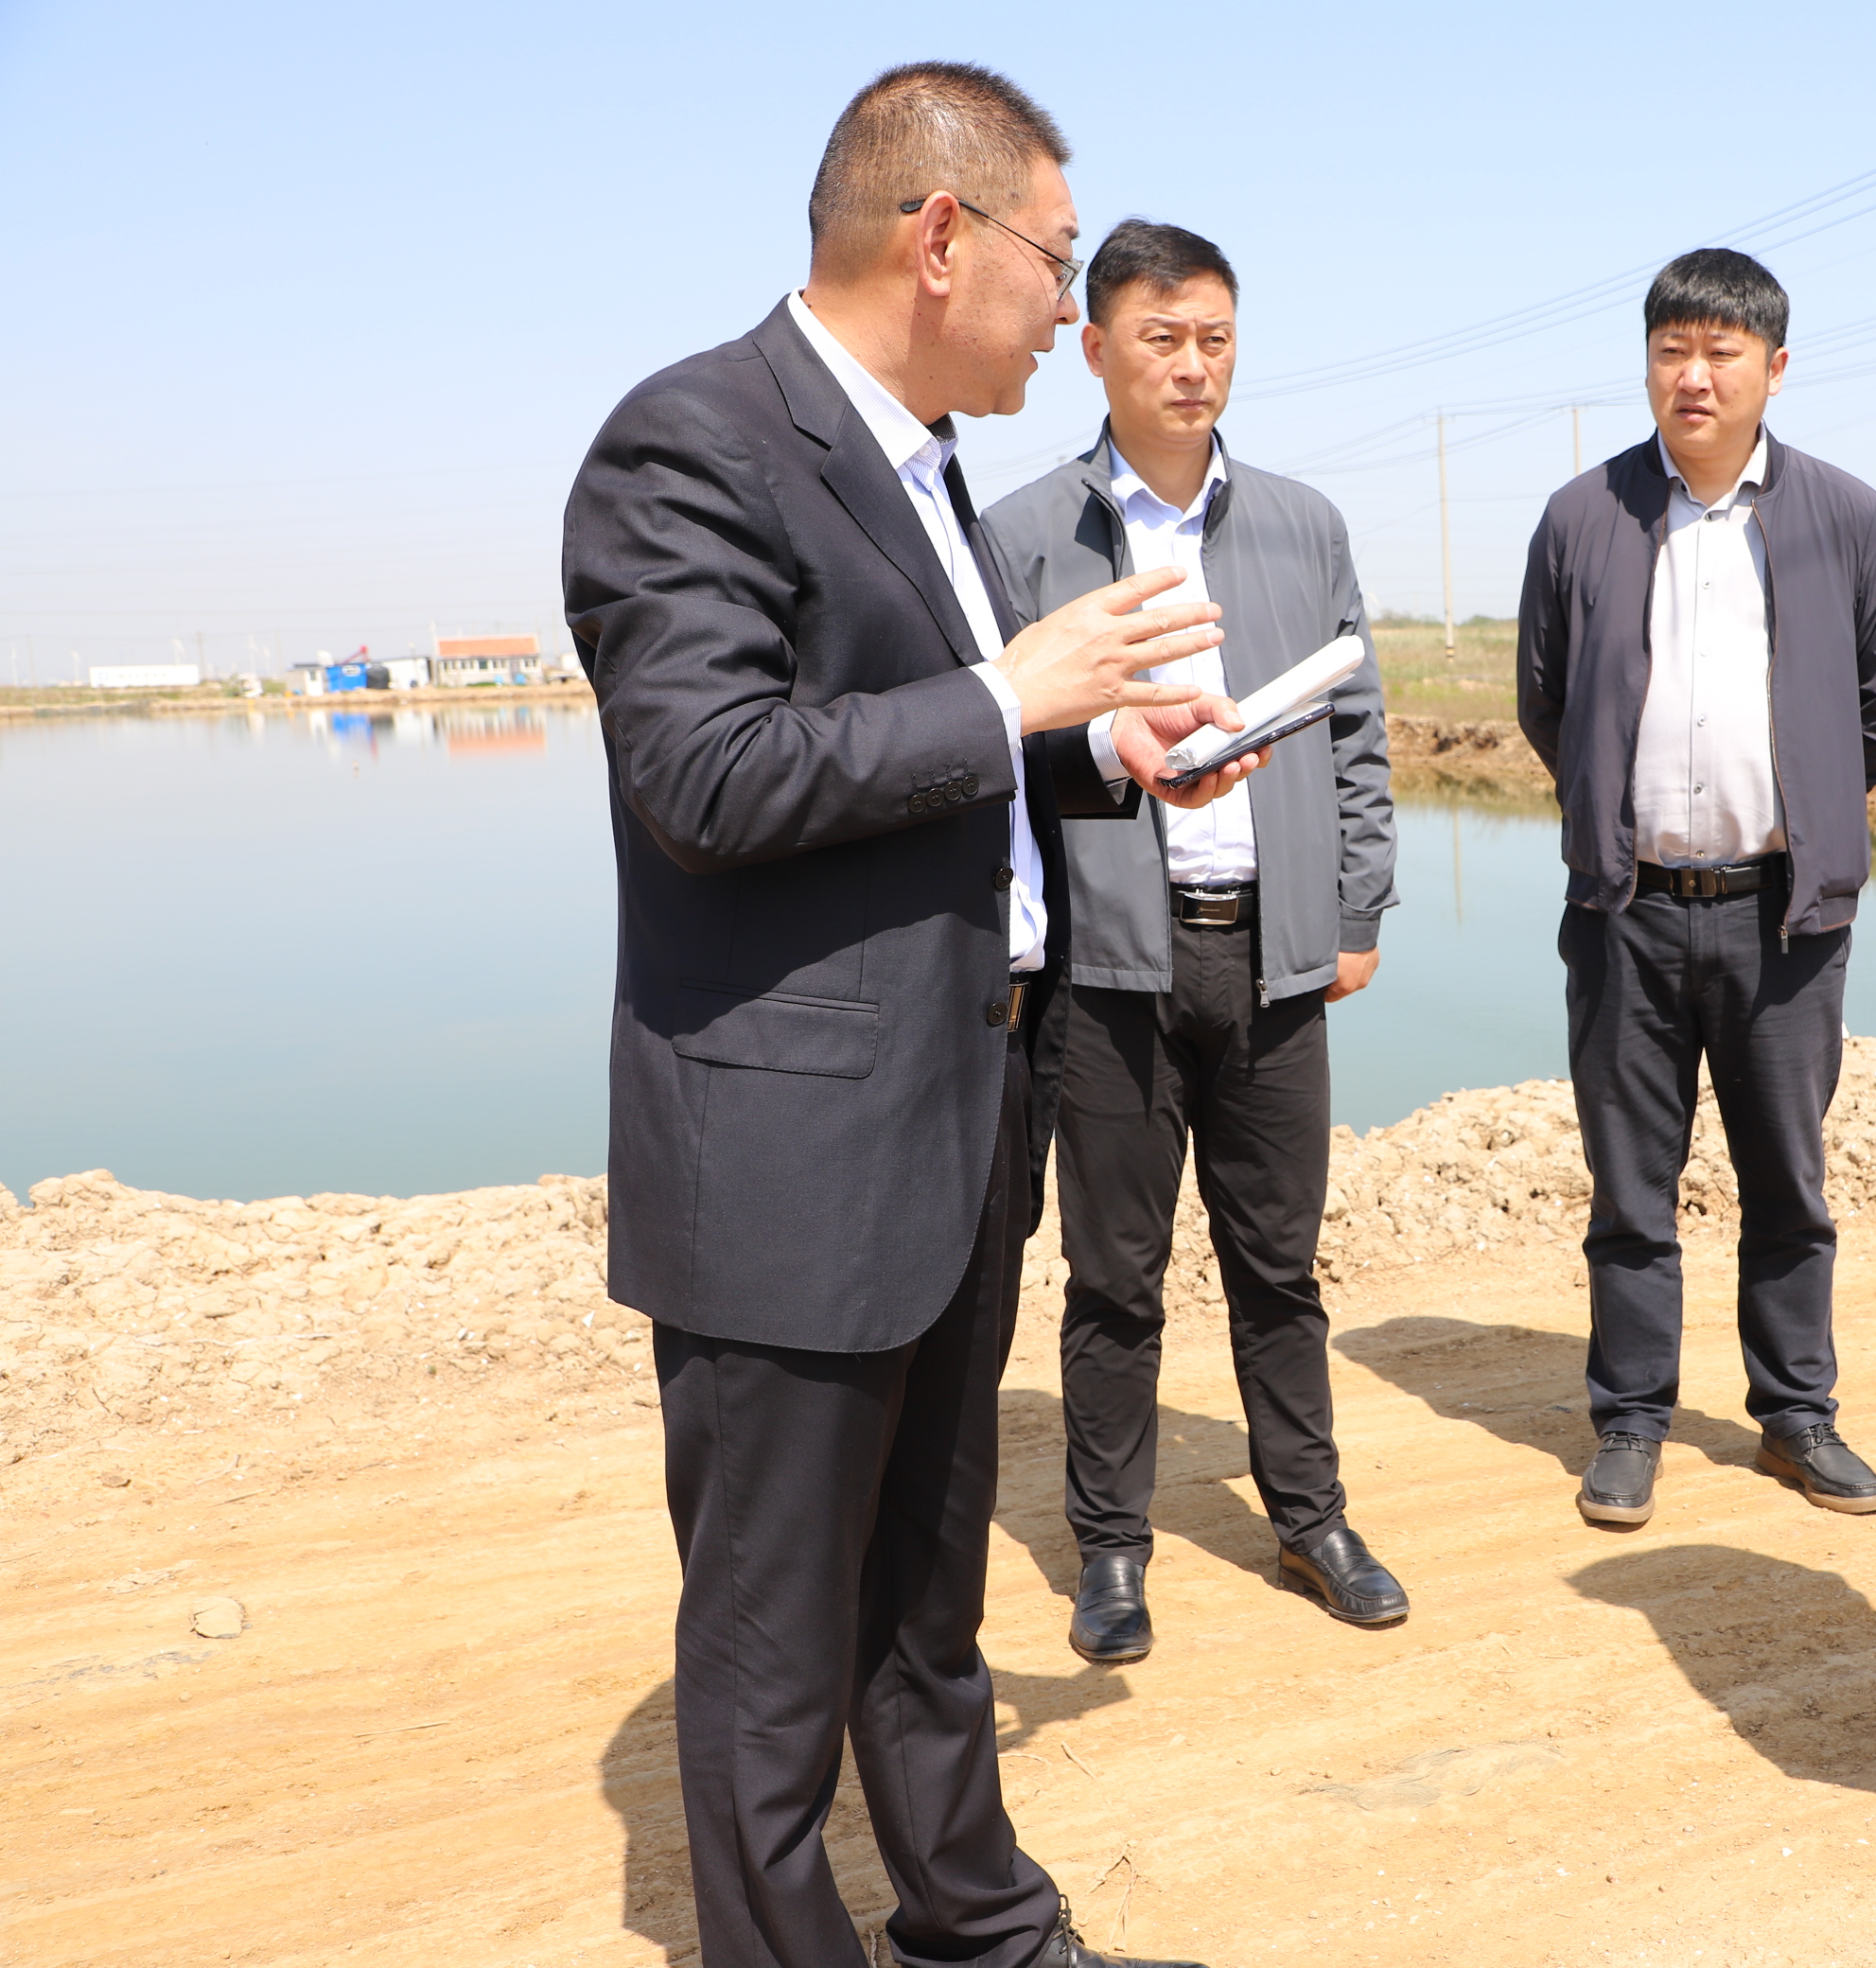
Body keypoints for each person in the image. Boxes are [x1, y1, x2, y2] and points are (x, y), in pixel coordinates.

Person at [563, 62, 1260, 1968]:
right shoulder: (691, 442)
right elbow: (707, 774)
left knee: (926, 1597)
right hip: (792, 1149)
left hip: (962, 1114)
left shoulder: (925, 460)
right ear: (941, 237)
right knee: (775, 1641)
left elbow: (933, 756)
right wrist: (1016, 695)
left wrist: (1102, 753)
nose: (1070, 306)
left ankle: (979, 1928)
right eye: (1057, 259)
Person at [982, 220, 1406, 1662]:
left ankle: (1311, 1516)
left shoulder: (1302, 524)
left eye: (1214, 338)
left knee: (1280, 1266)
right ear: (1095, 348)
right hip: (1110, 966)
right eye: (1160, 339)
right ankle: (1111, 1548)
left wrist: (1354, 909)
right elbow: (996, 751)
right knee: (1115, 1280)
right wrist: (1111, 744)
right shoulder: (1026, 537)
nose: (1192, 366)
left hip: (1272, 956)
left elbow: (1358, 733)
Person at [1516, 248, 1876, 1530]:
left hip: (1783, 912)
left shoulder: (1844, 515)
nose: (1693, 376)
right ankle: (1631, 1417)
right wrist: (1611, 808)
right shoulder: (1582, 515)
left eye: (1721, 352)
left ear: (1774, 368)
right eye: (1670, 351)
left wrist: (1808, 799)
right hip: (1626, 909)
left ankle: (1797, 1413)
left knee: (1787, 1181)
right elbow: (1546, 701)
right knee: (1630, 1188)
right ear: (1647, 365)